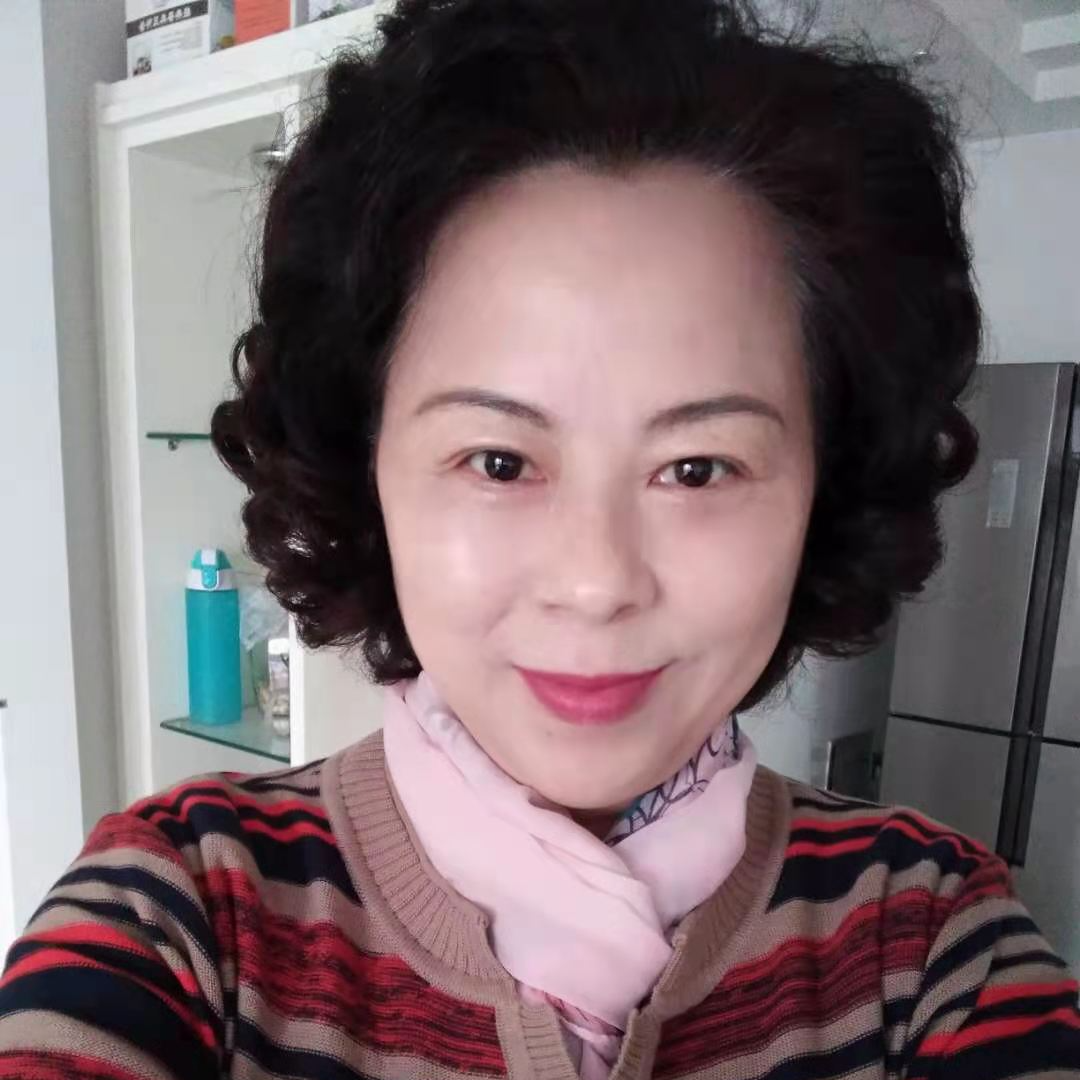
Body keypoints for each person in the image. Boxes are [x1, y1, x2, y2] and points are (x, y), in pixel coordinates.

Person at [2, 0, 1078, 1077]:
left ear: (822, 490)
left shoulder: (932, 941)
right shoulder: (182, 915)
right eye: (500, 462)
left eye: (697, 469)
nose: (596, 581)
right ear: (367, 470)